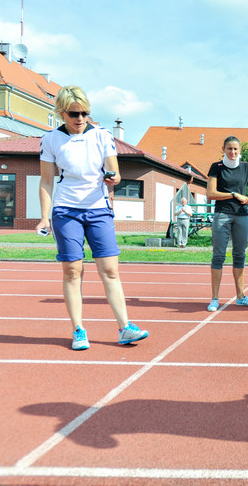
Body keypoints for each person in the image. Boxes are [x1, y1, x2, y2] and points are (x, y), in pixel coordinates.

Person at [36, 85, 149, 351]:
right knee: (73, 271)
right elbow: (45, 181)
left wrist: (113, 178)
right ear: (62, 113)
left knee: (110, 270)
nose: (80, 119)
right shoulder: (51, 139)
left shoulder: (102, 135)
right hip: (66, 210)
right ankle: (78, 330)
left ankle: (125, 328)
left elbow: (116, 174)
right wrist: (44, 218)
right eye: (75, 114)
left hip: (98, 209)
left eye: (85, 113)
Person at [206, 136, 248, 311]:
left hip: (241, 215)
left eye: (236, 149)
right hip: (222, 215)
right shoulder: (216, 167)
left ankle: (241, 297)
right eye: (229, 149)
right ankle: (214, 298)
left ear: (240, 150)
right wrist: (234, 195)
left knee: (239, 255)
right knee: (218, 256)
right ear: (223, 149)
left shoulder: (246, 167)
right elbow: (211, 193)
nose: (233, 152)